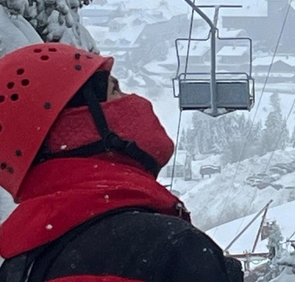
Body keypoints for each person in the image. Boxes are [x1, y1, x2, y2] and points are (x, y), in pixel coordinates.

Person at [0, 43, 242, 282]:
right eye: (114, 90)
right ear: (74, 126)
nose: (135, 100)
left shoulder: (22, 263)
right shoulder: (163, 249)